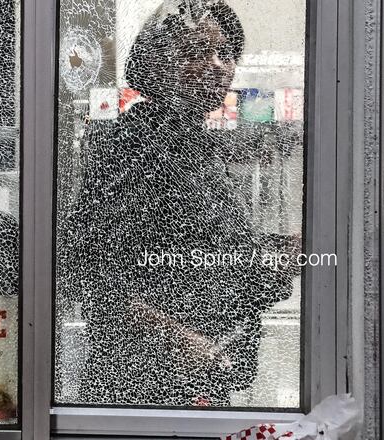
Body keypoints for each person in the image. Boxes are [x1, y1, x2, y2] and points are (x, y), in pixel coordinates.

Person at [58, 0, 299, 406]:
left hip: (199, 380)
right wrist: (177, 338)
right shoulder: (135, 140)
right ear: (157, 62)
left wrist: (279, 252)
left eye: (225, 54)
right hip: (143, 387)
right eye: (196, 53)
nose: (218, 66)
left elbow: (210, 253)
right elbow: (93, 266)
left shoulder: (192, 142)